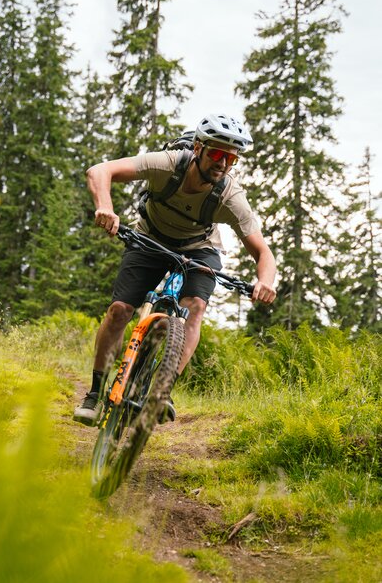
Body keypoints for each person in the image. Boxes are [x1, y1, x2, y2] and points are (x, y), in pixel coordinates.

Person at [73, 112, 276, 426]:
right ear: (198, 148)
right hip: (150, 237)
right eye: (218, 153)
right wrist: (105, 207)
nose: (223, 163)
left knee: (194, 308)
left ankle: (163, 391)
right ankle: (95, 392)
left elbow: (262, 251)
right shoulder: (167, 164)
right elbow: (100, 170)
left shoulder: (230, 196)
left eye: (231, 158)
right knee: (119, 310)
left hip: (199, 249)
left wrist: (265, 281)